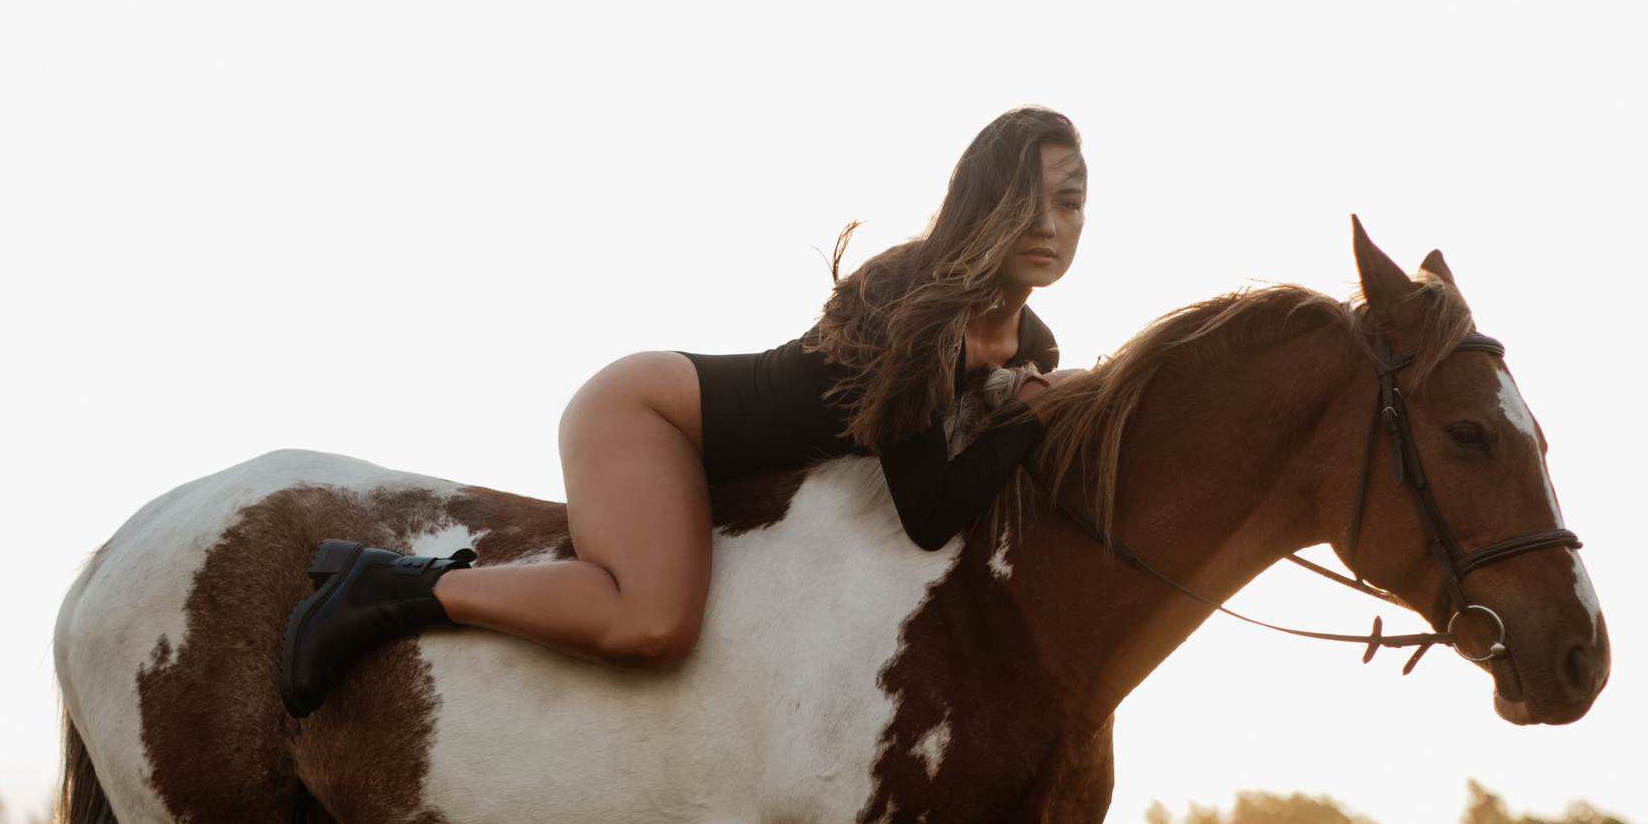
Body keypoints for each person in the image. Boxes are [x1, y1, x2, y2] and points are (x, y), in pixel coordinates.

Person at [280, 106, 1087, 717]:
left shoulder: (1032, 347)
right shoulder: (915, 315)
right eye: (1029, 201)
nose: (1051, 227)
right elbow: (930, 510)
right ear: (983, 205)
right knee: (652, 623)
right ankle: (388, 585)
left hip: (698, 440)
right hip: (649, 411)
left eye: (1071, 202)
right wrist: (1033, 420)